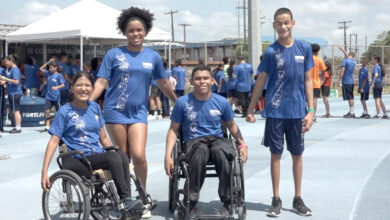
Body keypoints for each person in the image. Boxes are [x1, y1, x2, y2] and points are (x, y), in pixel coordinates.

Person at [89, 8, 177, 210]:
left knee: (139, 156)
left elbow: (163, 82)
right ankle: (126, 199)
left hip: (138, 113)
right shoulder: (114, 54)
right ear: (124, 32)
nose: (135, 34)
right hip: (115, 112)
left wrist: (176, 100)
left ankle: (143, 194)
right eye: (131, 30)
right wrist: (88, 104)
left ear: (145, 31)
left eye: (139, 30)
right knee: (123, 157)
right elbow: (102, 81)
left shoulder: (153, 56)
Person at [40, 71, 144, 213]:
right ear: (72, 88)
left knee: (122, 156)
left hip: (95, 154)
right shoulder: (64, 112)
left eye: (87, 85)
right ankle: (125, 199)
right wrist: (44, 172)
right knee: (113, 157)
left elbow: (104, 138)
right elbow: (53, 141)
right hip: (77, 158)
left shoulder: (94, 108)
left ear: (92, 89)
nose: (83, 88)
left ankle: (128, 201)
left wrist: (116, 154)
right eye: (79, 85)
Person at [246, 8, 314, 217]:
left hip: (297, 112)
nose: (283, 26)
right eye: (278, 23)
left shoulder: (305, 48)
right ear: (274, 26)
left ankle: (297, 198)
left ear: (293, 23)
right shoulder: (270, 52)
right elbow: (261, 80)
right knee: (276, 155)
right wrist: (251, 108)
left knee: (297, 155)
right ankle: (276, 199)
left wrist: (311, 110)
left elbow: (308, 80)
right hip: (276, 112)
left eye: (286, 22)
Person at [164, 65, 248, 216]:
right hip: (193, 142)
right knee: (201, 151)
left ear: (212, 81)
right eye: (198, 78)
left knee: (222, 152)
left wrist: (242, 144)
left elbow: (232, 126)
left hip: (216, 139)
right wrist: (168, 156)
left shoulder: (222, 102)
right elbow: (173, 130)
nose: (202, 81)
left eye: (205, 78)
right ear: (192, 81)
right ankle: (190, 202)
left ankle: (229, 201)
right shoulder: (182, 103)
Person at [39, 61, 66, 131]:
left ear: (55, 67)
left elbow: (63, 84)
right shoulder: (48, 74)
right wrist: (48, 62)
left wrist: (57, 87)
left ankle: (60, 125)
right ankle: (47, 126)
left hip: (56, 97)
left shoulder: (59, 75)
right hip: (48, 96)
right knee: (47, 111)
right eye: (49, 68)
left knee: (59, 111)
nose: (50, 69)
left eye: (51, 68)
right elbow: (41, 69)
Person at [0, 55, 24, 133]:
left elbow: (16, 81)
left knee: (15, 110)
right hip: (11, 92)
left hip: (15, 93)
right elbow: (10, 81)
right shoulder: (10, 70)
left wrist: (5, 78)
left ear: (11, 61)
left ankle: (18, 128)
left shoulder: (15, 70)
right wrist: (4, 82)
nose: (5, 63)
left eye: (6, 61)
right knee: (13, 110)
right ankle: (16, 126)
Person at [338, 46, 357, 118]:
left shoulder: (345, 61)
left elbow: (342, 70)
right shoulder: (353, 61)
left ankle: (352, 112)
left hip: (346, 82)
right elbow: (348, 56)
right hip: (351, 81)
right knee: (350, 96)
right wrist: (343, 50)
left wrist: (340, 79)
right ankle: (351, 111)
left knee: (350, 97)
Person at [310, 44, 326, 121]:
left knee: (305, 101)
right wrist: (322, 80)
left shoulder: (306, 59)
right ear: (318, 51)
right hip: (316, 83)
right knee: (314, 101)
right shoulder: (319, 60)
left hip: (306, 84)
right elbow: (324, 70)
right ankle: (312, 116)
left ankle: (306, 115)